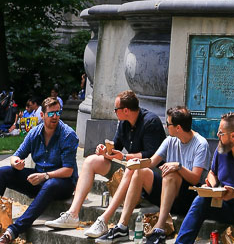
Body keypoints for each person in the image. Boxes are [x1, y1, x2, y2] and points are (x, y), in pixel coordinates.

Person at [46, 89, 166, 237]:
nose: (114, 112)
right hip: (130, 168)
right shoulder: (123, 123)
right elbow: (115, 146)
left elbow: (151, 155)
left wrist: (123, 157)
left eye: (116, 109)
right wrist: (105, 150)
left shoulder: (151, 122)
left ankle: (104, 220)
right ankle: (73, 214)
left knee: (132, 167)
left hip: (150, 175)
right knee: (91, 161)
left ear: (126, 110)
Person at [95, 106, 210, 244]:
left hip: (188, 197)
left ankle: (159, 230)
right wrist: (124, 157)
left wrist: (178, 166)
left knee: (171, 174)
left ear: (178, 127)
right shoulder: (170, 140)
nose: (166, 127)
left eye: (168, 124)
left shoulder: (201, 144)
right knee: (140, 171)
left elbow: (195, 178)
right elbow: (150, 162)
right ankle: (122, 227)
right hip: (169, 192)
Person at [175, 112, 234, 244]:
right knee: (200, 199)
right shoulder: (221, 149)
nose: (217, 135)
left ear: (233, 136)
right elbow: (212, 172)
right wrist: (212, 186)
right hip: (226, 206)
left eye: (221, 133)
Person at [0, 96, 78, 244]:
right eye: (51, 113)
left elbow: (68, 170)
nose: (55, 116)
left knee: (50, 184)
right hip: (39, 180)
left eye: (58, 112)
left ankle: (13, 231)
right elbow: (16, 155)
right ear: (42, 115)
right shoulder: (35, 133)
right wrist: (16, 163)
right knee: (2, 172)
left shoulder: (68, 135)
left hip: (62, 183)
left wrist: (45, 176)